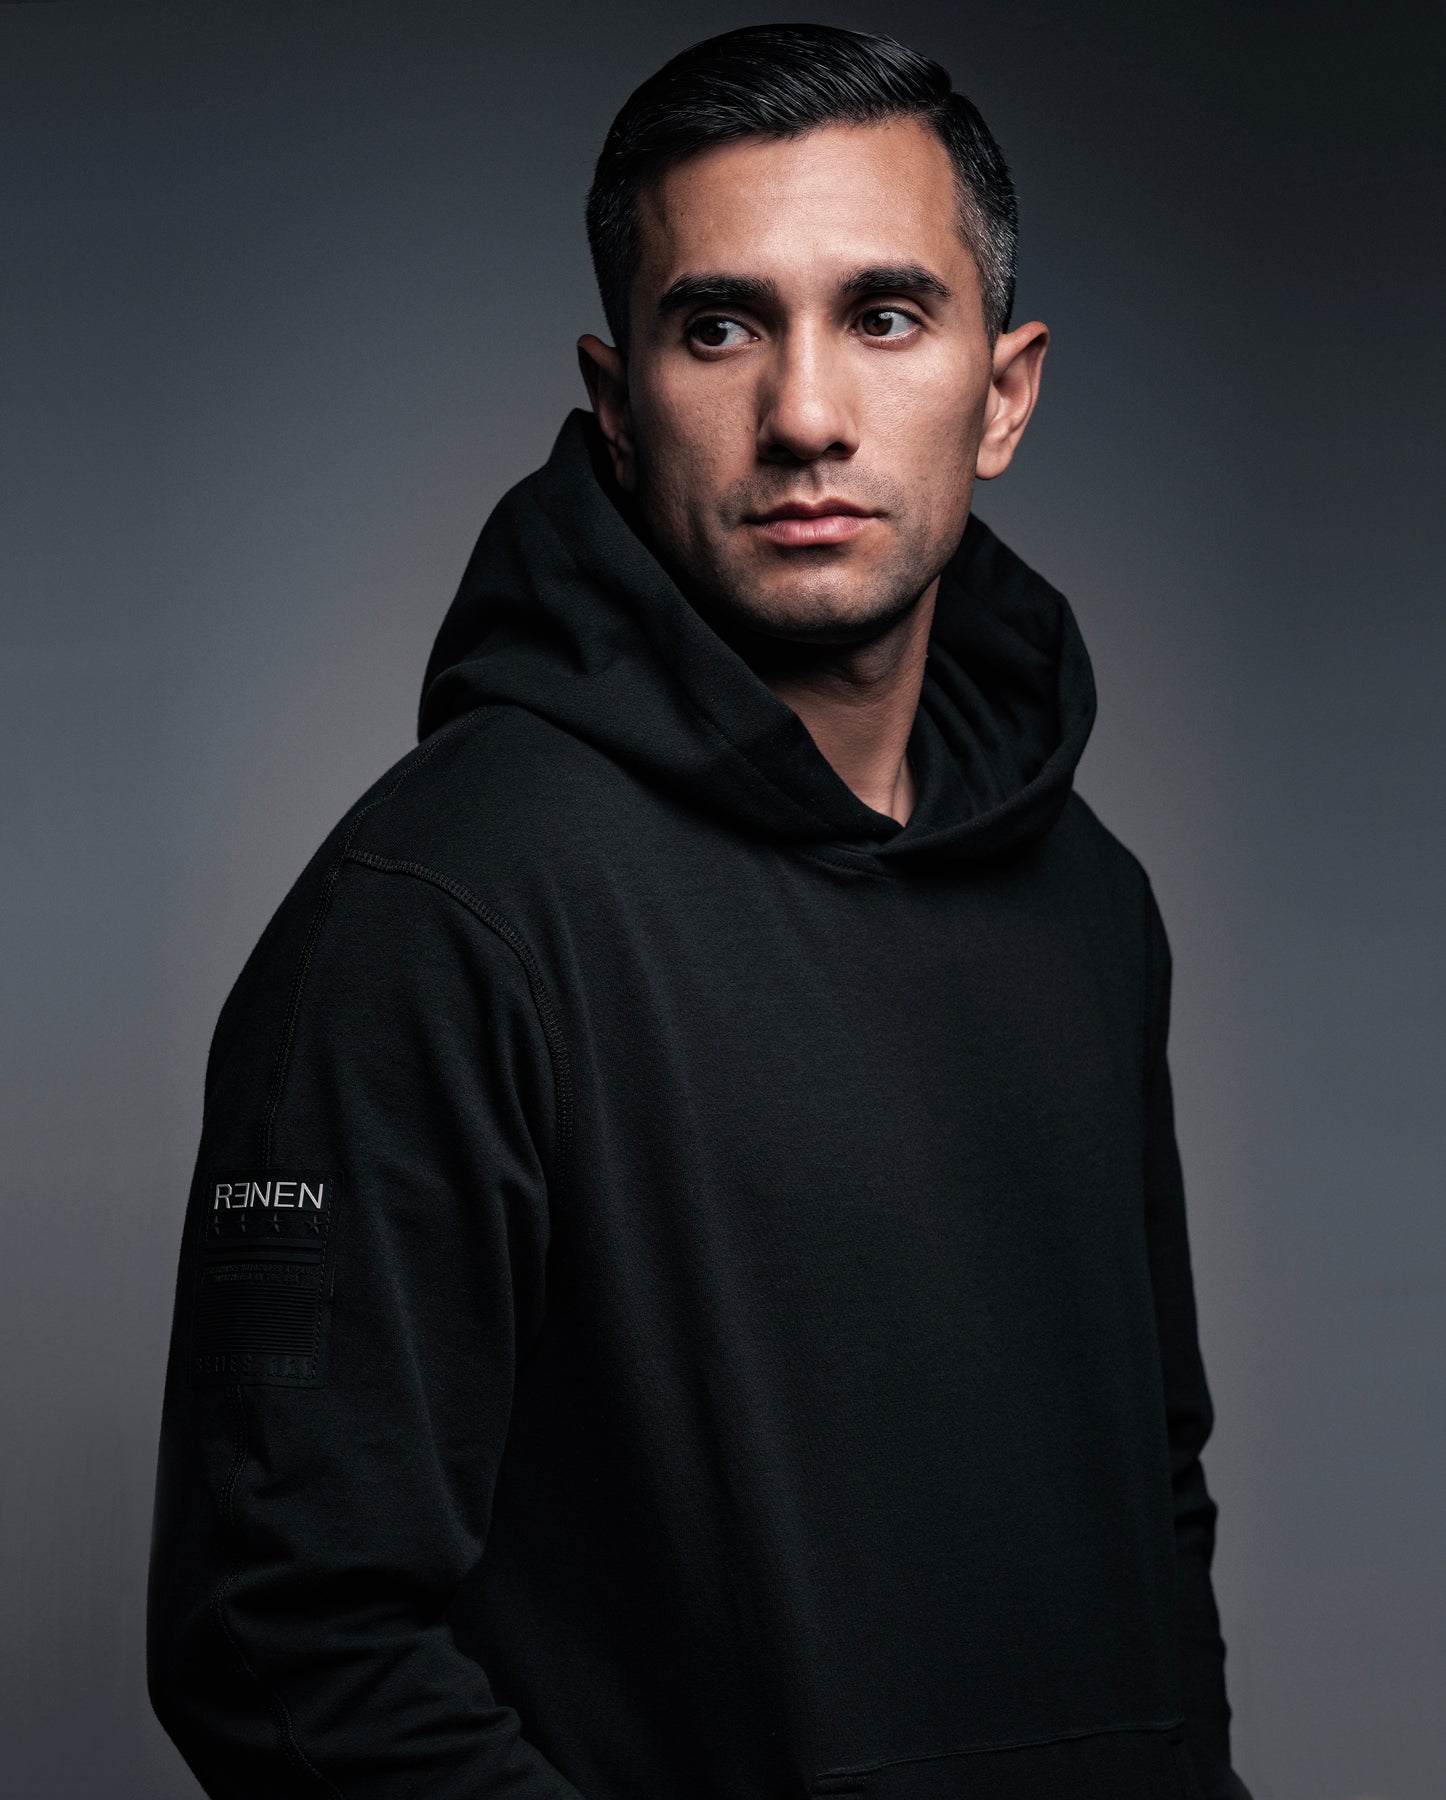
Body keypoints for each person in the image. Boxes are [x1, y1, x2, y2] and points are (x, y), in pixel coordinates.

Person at [147, 23, 1252, 1800]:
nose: (803, 414)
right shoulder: (435, 913)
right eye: (720, 326)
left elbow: (1153, 1498)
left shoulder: (1091, 906)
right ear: (614, 400)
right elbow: (284, 1641)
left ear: (1003, 390)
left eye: (882, 315)